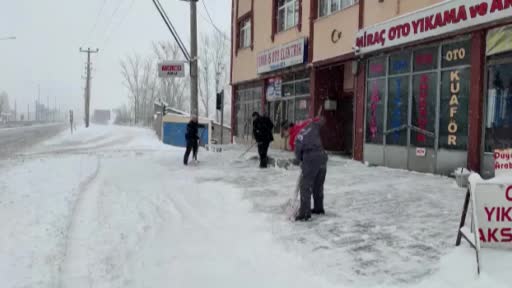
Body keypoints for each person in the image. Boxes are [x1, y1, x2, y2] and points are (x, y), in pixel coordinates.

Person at [285, 116, 327, 221]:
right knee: (318, 185)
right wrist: (319, 119)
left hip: (311, 158)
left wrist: (300, 160)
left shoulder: (298, 136)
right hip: (322, 156)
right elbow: (321, 121)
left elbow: (298, 154)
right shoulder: (312, 126)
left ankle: (304, 214)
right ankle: (318, 208)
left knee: (305, 186)